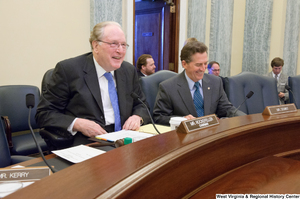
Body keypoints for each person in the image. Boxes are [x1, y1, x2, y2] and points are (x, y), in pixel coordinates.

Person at [36, 21, 150, 146]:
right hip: (88, 141)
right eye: (114, 44)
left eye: (123, 45)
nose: (120, 51)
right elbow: (44, 114)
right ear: (96, 46)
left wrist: (137, 117)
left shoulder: (128, 70)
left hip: (125, 137)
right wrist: (78, 124)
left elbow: (142, 104)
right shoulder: (69, 70)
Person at [153, 41, 245, 125]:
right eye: (198, 65)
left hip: (211, 135)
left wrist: (246, 118)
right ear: (184, 64)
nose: (203, 68)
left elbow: (227, 109)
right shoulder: (168, 87)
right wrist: (181, 120)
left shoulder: (215, 82)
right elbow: (159, 117)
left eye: (205, 64)